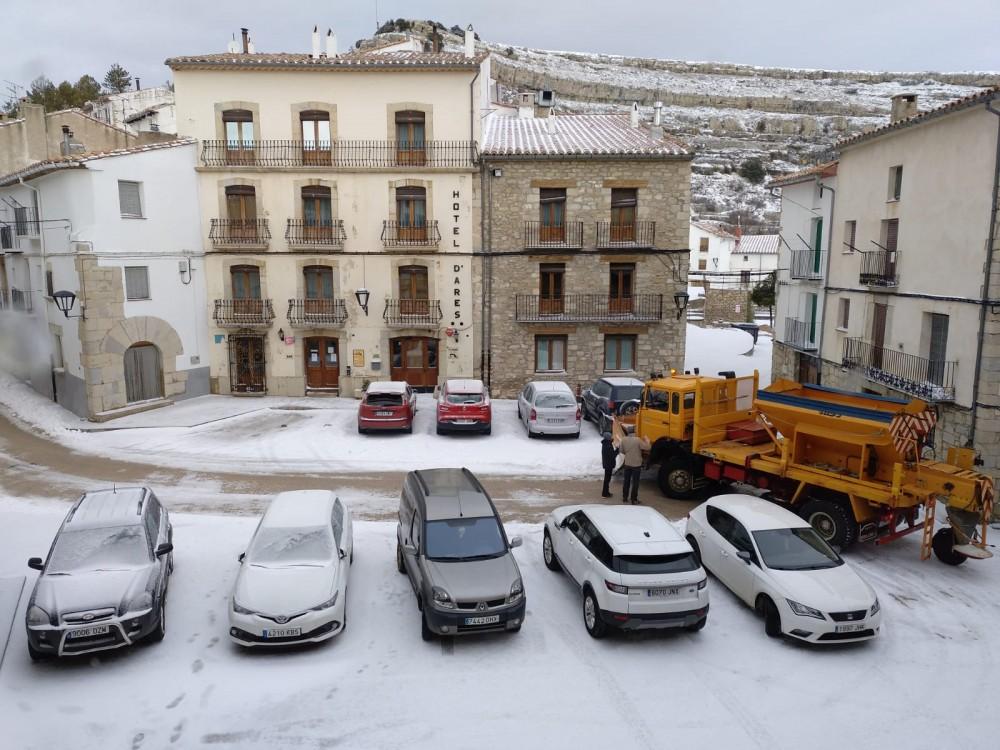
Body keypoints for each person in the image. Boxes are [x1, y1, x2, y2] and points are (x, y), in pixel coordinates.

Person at [619, 427, 651, 504]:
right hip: (636, 465)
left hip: (627, 464)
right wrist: (647, 440)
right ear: (634, 432)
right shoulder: (638, 440)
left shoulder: (623, 440)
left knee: (626, 481)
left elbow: (621, 451)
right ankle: (634, 499)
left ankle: (625, 497)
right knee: (635, 482)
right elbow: (648, 448)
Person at [600, 431, 617, 498]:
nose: (611, 437)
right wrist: (617, 450)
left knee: (607, 479)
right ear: (608, 438)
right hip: (608, 465)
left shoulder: (606, 444)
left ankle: (606, 492)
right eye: (610, 437)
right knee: (607, 480)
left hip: (607, 464)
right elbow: (613, 455)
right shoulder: (608, 446)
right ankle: (605, 493)